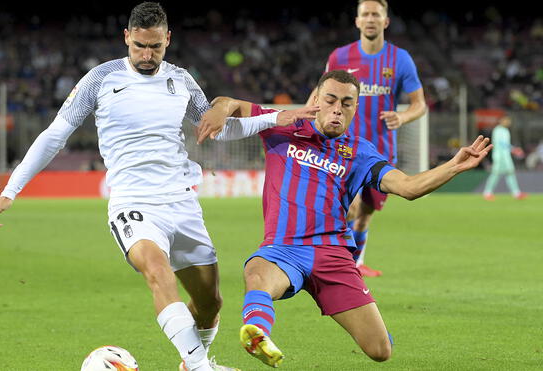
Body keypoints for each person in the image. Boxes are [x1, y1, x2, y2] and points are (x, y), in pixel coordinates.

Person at [0, 3, 316, 370]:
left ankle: (192, 364)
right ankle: (203, 368)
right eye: (139, 45)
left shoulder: (181, 80)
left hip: (181, 201)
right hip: (133, 202)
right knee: (158, 272)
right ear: (126, 37)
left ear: (167, 39)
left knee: (210, 303)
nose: (146, 54)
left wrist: (274, 118)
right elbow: (54, 136)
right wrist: (10, 191)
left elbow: (219, 131)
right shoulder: (100, 79)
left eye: (155, 47)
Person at [199, 70, 491, 367]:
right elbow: (228, 102)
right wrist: (220, 110)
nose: (337, 108)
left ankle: (366, 324)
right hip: (284, 249)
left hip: (333, 256)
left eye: (347, 103)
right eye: (330, 99)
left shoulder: (360, 153)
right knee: (257, 273)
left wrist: (453, 166)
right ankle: (258, 333)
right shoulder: (283, 124)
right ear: (315, 99)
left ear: (354, 109)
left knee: (380, 351)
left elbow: (409, 187)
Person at [307, 0, 427, 277]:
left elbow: (419, 104)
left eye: (376, 14)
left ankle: (354, 265)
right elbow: (318, 96)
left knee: (366, 212)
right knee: (349, 208)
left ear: (385, 21)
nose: (370, 19)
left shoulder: (400, 59)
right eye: (365, 14)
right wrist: (302, 124)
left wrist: (403, 117)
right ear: (357, 21)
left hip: (379, 151)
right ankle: (335, 263)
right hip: (341, 147)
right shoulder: (340, 57)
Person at [483, 115, 528, 200]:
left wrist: (512, 149)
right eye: (506, 120)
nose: (508, 122)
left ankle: (516, 193)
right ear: (501, 121)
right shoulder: (498, 130)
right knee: (495, 173)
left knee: (510, 173)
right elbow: (501, 143)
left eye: (509, 121)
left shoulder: (505, 130)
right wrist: (514, 149)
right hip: (499, 156)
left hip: (506, 156)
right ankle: (487, 192)